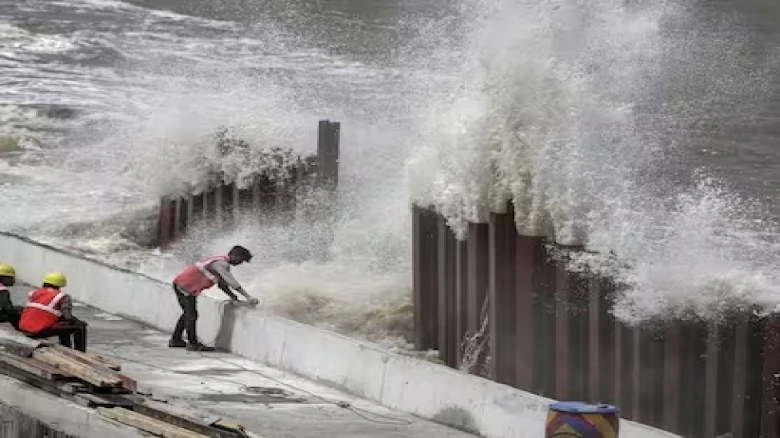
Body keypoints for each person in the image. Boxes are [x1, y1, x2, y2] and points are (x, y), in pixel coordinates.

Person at [169, 245, 258, 352]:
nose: (241, 263)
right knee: (191, 315)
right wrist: (249, 297)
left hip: (183, 285)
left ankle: (176, 340)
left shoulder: (219, 261)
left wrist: (233, 296)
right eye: (241, 260)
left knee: (188, 314)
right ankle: (193, 344)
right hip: (185, 287)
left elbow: (222, 285)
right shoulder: (222, 264)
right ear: (234, 255)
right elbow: (232, 282)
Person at [19, 272, 88, 352]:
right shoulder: (62, 297)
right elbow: (68, 317)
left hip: (24, 329)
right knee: (79, 327)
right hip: (37, 331)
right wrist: (79, 322)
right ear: (60, 285)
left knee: (63, 323)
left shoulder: (34, 293)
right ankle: (79, 352)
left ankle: (65, 347)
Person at [0, 264, 22, 329]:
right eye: (12, 278)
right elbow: (7, 309)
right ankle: (24, 330)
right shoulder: (2, 290)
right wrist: (20, 309)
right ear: (4, 278)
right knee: (15, 314)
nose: (14, 281)